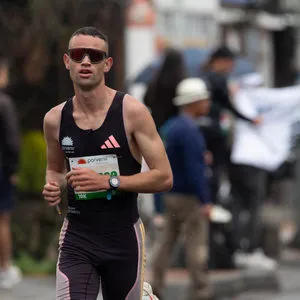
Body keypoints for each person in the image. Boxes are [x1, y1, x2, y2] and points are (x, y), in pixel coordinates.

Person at [42, 27, 173, 300]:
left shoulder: (132, 112)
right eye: (78, 55)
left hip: (123, 236)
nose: (86, 62)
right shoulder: (54, 119)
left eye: (95, 56)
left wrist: (109, 182)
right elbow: (55, 168)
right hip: (78, 237)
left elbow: (163, 176)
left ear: (107, 64)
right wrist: (54, 186)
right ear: (67, 62)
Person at [151, 78, 214, 300]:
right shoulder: (190, 130)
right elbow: (194, 168)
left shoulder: (172, 127)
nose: (207, 104)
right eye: (204, 99)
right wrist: (205, 200)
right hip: (189, 196)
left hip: (170, 194)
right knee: (196, 244)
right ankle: (200, 290)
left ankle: (154, 286)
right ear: (193, 102)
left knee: (165, 242)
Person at [0, 54, 22, 288]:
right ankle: (5, 268)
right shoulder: (4, 103)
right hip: (1, 169)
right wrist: (13, 169)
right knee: (3, 219)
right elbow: (12, 142)